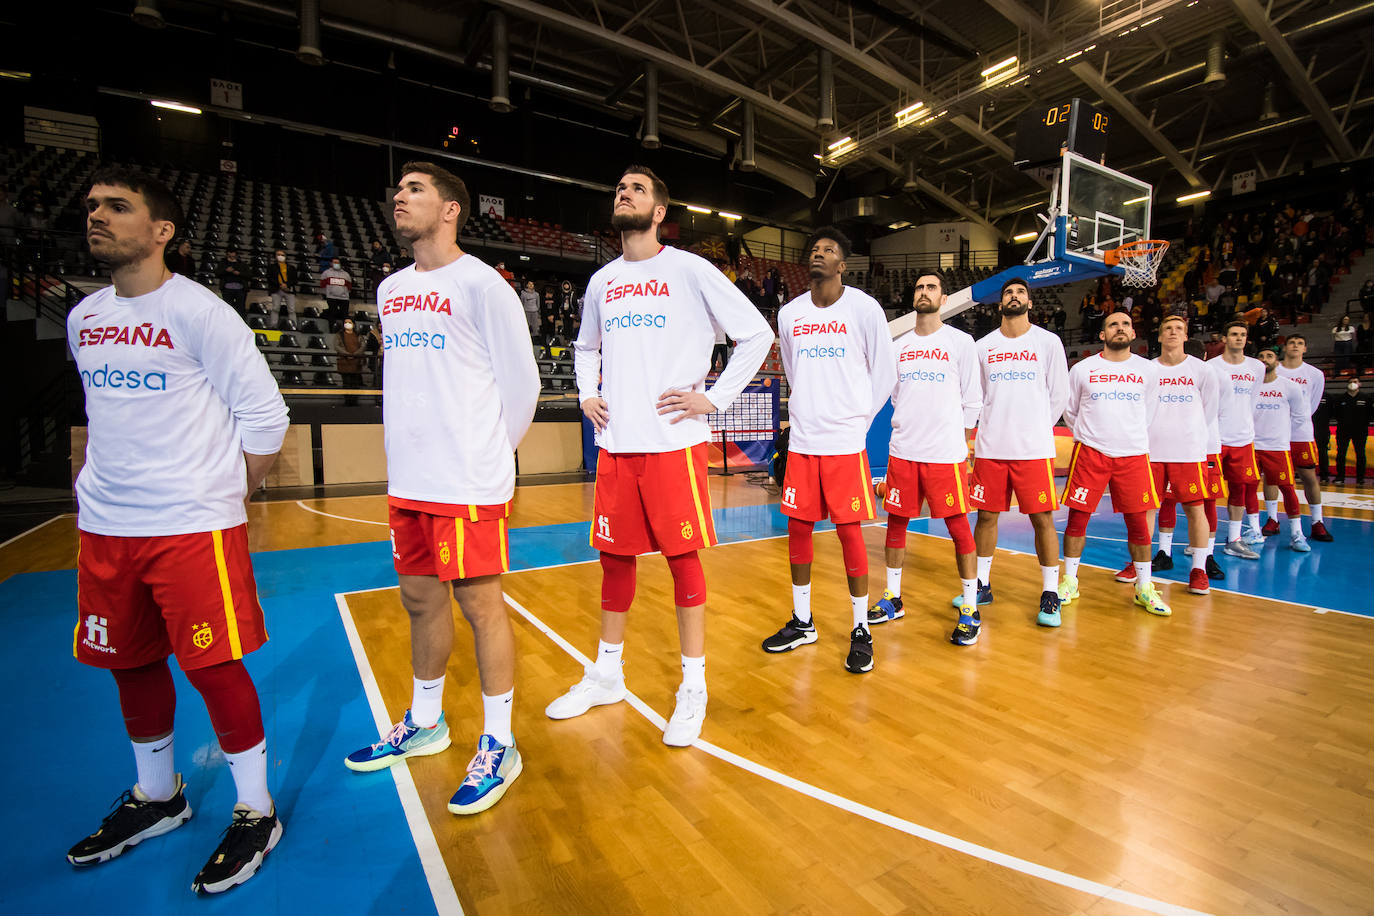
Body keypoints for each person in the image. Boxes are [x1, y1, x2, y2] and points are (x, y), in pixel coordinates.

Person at [65, 167, 289, 893]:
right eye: (92, 206)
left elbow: (266, 418)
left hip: (190, 528)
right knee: (129, 662)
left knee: (212, 665)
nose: (96, 215)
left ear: (161, 231)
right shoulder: (84, 317)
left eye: (117, 206)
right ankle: (158, 796)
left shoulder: (201, 313)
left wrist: (222, 495)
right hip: (107, 526)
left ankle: (256, 810)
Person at [343, 162, 540, 817]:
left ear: (451, 209)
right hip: (410, 480)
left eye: (415, 190)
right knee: (419, 600)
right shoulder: (390, 288)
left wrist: (489, 459)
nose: (398, 197)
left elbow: (523, 387)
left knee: (481, 606)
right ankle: (426, 723)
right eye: (396, 189)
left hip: (467, 480)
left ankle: (499, 743)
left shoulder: (484, 285)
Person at [549, 165, 770, 745]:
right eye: (619, 187)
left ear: (659, 213)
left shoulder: (689, 269)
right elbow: (585, 346)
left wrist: (714, 398)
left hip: (674, 444)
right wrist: (586, 392)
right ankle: (608, 674)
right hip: (617, 445)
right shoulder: (601, 282)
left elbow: (757, 334)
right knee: (614, 562)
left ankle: (692, 686)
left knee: (682, 560)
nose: (623, 192)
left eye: (637, 189)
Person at [761, 227, 896, 672]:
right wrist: (807, 412)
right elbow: (796, 373)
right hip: (802, 441)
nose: (818, 254)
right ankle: (803, 621)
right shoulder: (790, 312)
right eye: (814, 249)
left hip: (844, 443)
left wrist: (859, 419)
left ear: (843, 265)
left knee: (849, 532)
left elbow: (885, 372)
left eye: (829, 250)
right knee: (797, 531)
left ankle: (861, 627)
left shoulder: (865, 308)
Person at [866, 272, 983, 644]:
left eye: (931, 287)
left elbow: (973, 398)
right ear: (912, 296)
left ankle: (969, 606)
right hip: (904, 452)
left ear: (943, 298)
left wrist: (961, 442)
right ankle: (893, 597)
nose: (924, 292)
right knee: (896, 524)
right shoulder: (898, 346)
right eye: (918, 287)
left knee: (958, 527)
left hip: (945, 454)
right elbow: (894, 396)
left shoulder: (961, 343)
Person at [960, 278, 1069, 626]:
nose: (1014, 296)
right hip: (992, 447)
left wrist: (1035, 426)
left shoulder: (1048, 342)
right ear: (1000, 304)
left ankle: (1051, 592)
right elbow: (975, 397)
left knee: (1042, 519)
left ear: (1030, 303)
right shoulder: (983, 346)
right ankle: (981, 584)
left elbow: (1059, 395)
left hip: (1033, 449)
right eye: (1008, 293)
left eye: (1021, 292)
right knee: (987, 517)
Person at [1055, 312, 1170, 617]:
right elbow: (1071, 411)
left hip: (1133, 454)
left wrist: (1125, 437)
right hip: (1091, 453)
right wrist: (1092, 436)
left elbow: (1151, 411)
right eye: (1113, 325)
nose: (1120, 328)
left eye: (1125, 324)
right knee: (1077, 520)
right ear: (1103, 335)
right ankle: (1069, 581)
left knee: (1138, 523)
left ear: (1133, 332)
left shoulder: (1148, 370)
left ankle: (1145, 587)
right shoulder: (1082, 369)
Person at [1126, 315, 1220, 596]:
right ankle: (1139, 564)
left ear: (1186, 335)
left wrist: (1188, 433)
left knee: (1195, 509)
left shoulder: (1202, 371)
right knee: (1147, 509)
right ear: (1159, 336)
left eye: (1178, 328)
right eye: (1167, 328)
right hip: (1151, 450)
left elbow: (1210, 410)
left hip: (1188, 451)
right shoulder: (1147, 370)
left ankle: (1198, 569)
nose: (1172, 332)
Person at [1208, 320, 1266, 559]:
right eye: (1234, 334)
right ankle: (1203, 541)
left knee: (1239, 489)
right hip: (1215, 438)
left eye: (1243, 334)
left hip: (1243, 438)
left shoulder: (1257, 367)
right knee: (1207, 492)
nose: (1239, 338)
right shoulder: (1210, 367)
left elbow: (1252, 400)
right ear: (1225, 338)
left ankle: (1234, 539)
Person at [1274, 334, 1332, 541]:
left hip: (1301, 433)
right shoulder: (1274, 370)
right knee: (1272, 477)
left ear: (1305, 349)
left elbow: (1312, 404)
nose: (1296, 346)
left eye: (1300, 343)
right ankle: (1272, 519)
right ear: (1285, 347)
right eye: (1292, 343)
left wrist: (1297, 420)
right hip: (1275, 432)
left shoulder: (1314, 374)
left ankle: (1317, 522)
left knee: (1308, 476)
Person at [1253, 346, 1311, 551]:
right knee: (1249, 488)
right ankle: (1254, 529)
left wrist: (1281, 433)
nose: (1264, 359)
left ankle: (1297, 533)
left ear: (1277, 361)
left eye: (1269, 356)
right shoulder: (1251, 386)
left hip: (1277, 447)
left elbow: (1301, 416)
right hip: (1252, 446)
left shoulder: (1289, 386)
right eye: (1260, 356)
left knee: (1288, 489)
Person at [1332, 377, 1370, 484]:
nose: (1352, 384)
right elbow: (1336, 414)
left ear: (1360, 384)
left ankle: (1360, 478)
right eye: (1350, 382)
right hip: (1343, 430)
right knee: (1341, 454)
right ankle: (1340, 477)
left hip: (1360, 431)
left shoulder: (1366, 398)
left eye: (1355, 382)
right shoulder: (1340, 399)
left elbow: (1369, 414)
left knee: (1360, 453)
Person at [335, 317, 364, 404]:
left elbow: (363, 346)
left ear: (353, 324)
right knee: (346, 383)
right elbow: (337, 346)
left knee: (355, 383)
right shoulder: (339, 335)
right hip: (344, 362)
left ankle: (354, 400)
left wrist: (355, 354)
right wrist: (347, 354)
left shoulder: (358, 335)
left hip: (356, 362)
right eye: (346, 322)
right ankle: (347, 400)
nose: (347, 324)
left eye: (349, 322)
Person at [319, 257, 353, 323]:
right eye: (335, 262)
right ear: (331, 263)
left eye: (338, 263)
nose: (336, 264)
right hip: (331, 297)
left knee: (345, 316)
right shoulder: (326, 273)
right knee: (332, 315)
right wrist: (328, 293)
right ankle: (332, 330)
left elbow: (349, 287)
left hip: (344, 298)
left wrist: (345, 294)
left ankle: (344, 330)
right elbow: (322, 285)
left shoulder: (346, 274)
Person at [269, 248, 298, 327]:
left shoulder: (291, 268)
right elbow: (270, 278)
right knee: (275, 308)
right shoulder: (272, 267)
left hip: (289, 290)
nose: (280, 256)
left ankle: (293, 326)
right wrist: (280, 285)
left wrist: (287, 285)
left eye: (282, 255)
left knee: (291, 310)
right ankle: (273, 326)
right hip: (276, 289)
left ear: (285, 256)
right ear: (275, 256)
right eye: (278, 255)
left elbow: (295, 280)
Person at [217, 249, 248, 318]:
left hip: (240, 289)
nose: (232, 254)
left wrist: (239, 273)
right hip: (227, 289)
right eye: (230, 252)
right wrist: (226, 270)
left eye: (233, 252)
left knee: (240, 308)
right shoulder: (223, 263)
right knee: (227, 307)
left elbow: (249, 275)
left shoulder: (242, 264)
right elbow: (217, 273)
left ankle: (240, 322)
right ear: (227, 253)